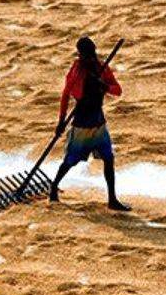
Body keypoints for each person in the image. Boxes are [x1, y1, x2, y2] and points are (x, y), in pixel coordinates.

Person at [49, 36, 129, 211]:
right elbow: (66, 94)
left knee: (109, 159)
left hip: (98, 123)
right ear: (80, 55)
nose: (90, 58)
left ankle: (112, 199)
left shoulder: (102, 68)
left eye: (92, 54)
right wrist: (61, 121)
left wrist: (104, 86)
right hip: (82, 125)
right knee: (70, 160)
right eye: (86, 56)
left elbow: (118, 90)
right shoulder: (77, 71)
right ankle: (53, 187)